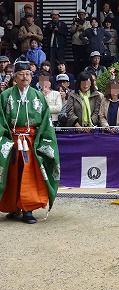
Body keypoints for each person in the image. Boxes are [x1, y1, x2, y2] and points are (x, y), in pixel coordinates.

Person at [0, 58, 59, 224]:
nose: (24, 77)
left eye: (27, 74)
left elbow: (46, 121)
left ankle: (28, 209)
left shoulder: (38, 96)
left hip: (32, 142)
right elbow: (0, 120)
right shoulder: (5, 96)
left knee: (29, 175)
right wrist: (5, 140)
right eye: (21, 74)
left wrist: (42, 141)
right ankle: (14, 207)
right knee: (12, 175)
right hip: (12, 141)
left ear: (32, 76)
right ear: (14, 76)